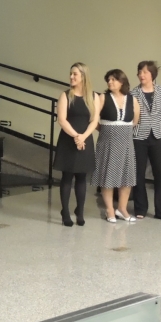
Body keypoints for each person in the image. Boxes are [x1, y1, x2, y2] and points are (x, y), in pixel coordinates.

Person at [53, 63, 99, 227]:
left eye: (75, 74)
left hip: (85, 138)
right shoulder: (65, 95)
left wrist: (83, 137)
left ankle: (80, 211)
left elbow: (94, 120)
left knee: (81, 177)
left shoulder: (94, 97)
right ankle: (65, 211)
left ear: (83, 77)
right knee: (67, 176)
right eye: (71, 74)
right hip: (68, 138)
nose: (71, 77)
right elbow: (62, 119)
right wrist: (75, 136)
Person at [92, 70, 140, 223]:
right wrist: (106, 130)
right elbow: (93, 119)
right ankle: (109, 210)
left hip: (126, 142)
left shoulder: (132, 99)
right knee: (109, 176)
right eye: (108, 79)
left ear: (122, 82)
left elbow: (135, 121)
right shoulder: (102, 97)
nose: (110, 82)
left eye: (113, 79)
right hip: (108, 142)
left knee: (127, 177)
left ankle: (122, 208)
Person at [130, 61, 161, 221]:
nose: (141, 75)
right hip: (139, 137)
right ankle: (140, 208)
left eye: (145, 72)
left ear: (152, 75)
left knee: (160, 174)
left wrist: (154, 123)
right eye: (140, 72)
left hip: (158, 136)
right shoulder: (134, 93)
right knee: (138, 174)